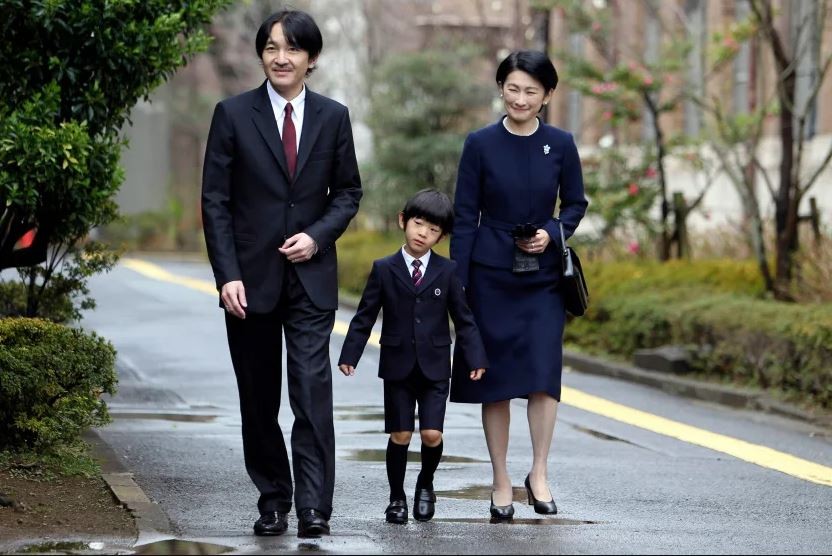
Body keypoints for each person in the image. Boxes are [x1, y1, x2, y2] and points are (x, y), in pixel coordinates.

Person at [201, 8, 362, 538]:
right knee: (258, 398)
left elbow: (348, 192)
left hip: (311, 279)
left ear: (311, 58)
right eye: (272, 47)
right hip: (249, 281)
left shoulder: (333, 117)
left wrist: (317, 236)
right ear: (261, 55)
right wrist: (227, 274)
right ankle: (273, 499)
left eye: (292, 48)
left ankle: (315, 507)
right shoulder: (232, 114)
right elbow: (215, 201)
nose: (281, 57)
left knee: (311, 394)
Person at [449, 50, 588, 521]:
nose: (520, 99)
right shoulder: (480, 143)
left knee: (543, 376)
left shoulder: (561, 144)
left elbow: (575, 204)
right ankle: (500, 479)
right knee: (496, 382)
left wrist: (552, 231)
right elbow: (465, 216)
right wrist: (459, 283)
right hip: (490, 274)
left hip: (543, 277)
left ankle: (540, 473)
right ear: (501, 89)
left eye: (531, 91)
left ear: (547, 95)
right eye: (513, 88)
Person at [338, 189, 488, 524]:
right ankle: (396, 498)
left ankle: (425, 484)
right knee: (401, 434)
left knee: (432, 434)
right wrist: (351, 354)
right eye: (418, 224)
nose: (423, 233)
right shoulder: (384, 268)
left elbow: (463, 319)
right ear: (403, 221)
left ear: (441, 237)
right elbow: (364, 316)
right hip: (397, 366)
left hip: (436, 367)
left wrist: (476, 357)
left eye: (433, 230)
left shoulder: (447, 271)